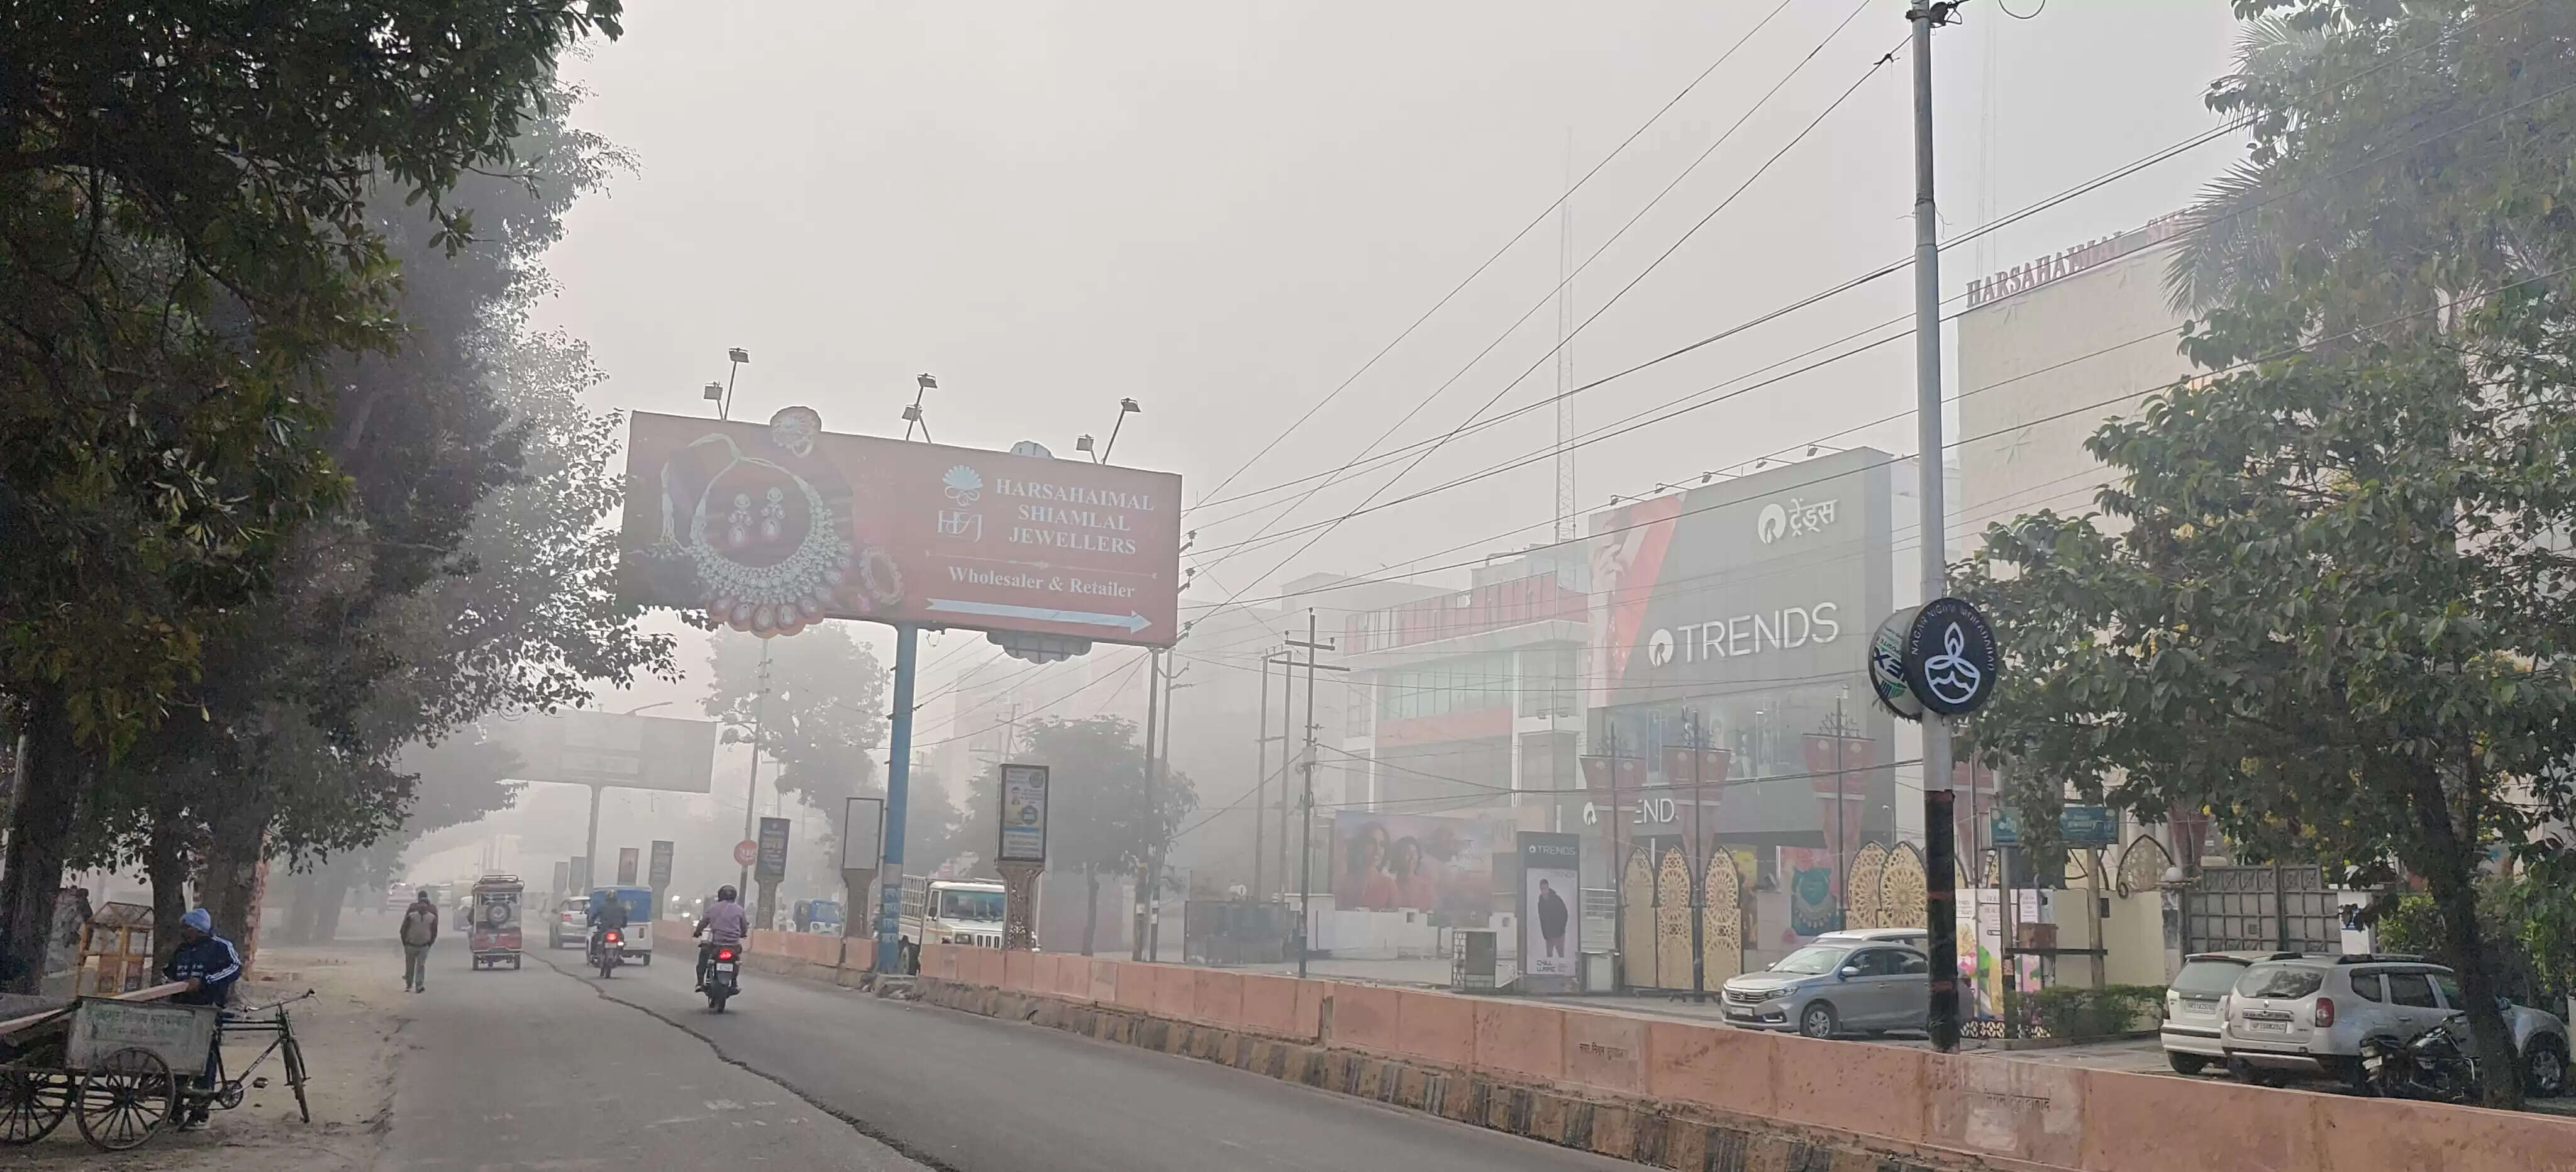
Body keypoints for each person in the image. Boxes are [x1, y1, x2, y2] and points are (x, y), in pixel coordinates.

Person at [163, 909, 241, 1131]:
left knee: (205, 1060)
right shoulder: (183, 950)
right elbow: (169, 973)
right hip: (181, 1011)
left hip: (208, 1010)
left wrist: (205, 981)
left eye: (188, 928)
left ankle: (200, 1113)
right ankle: (174, 1113)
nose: (185, 932)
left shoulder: (220, 947)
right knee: (176, 1060)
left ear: (199, 929)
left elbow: (235, 968)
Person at [693, 885, 748, 991]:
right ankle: (734, 982)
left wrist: (697, 932)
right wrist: (743, 933)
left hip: (717, 944)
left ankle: (700, 982)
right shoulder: (739, 909)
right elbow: (744, 927)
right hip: (733, 945)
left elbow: (703, 923)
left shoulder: (713, 908)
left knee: (704, 955)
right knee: (736, 960)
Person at [399, 891, 440, 993]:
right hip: (411, 944)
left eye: (424, 905)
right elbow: (404, 929)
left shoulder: (431, 916)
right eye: (421, 904)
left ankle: (419, 985)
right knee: (410, 966)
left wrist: (429, 943)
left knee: (420, 966)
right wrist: (406, 942)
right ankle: (409, 984)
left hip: (423, 945)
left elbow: (434, 931)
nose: (423, 906)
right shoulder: (412, 915)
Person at [587, 890, 630, 963]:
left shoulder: (602, 906)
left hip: (604, 929)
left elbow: (594, 916)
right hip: (616, 929)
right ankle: (619, 954)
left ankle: (595, 955)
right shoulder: (621, 907)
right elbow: (625, 918)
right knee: (622, 940)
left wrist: (591, 923)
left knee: (595, 939)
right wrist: (624, 925)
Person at [1536, 878, 1570, 960]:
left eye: (1546, 888)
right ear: (1541, 889)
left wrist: (1561, 928)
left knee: (1561, 955)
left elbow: (1565, 913)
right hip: (1549, 935)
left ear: (1548, 888)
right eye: (1543, 889)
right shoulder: (1541, 903)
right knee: (1549, 957)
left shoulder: (1556, 899)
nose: (1545, 891)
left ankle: (1562, 972)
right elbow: (1542, 919)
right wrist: (1545, 934)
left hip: (1559, 933)